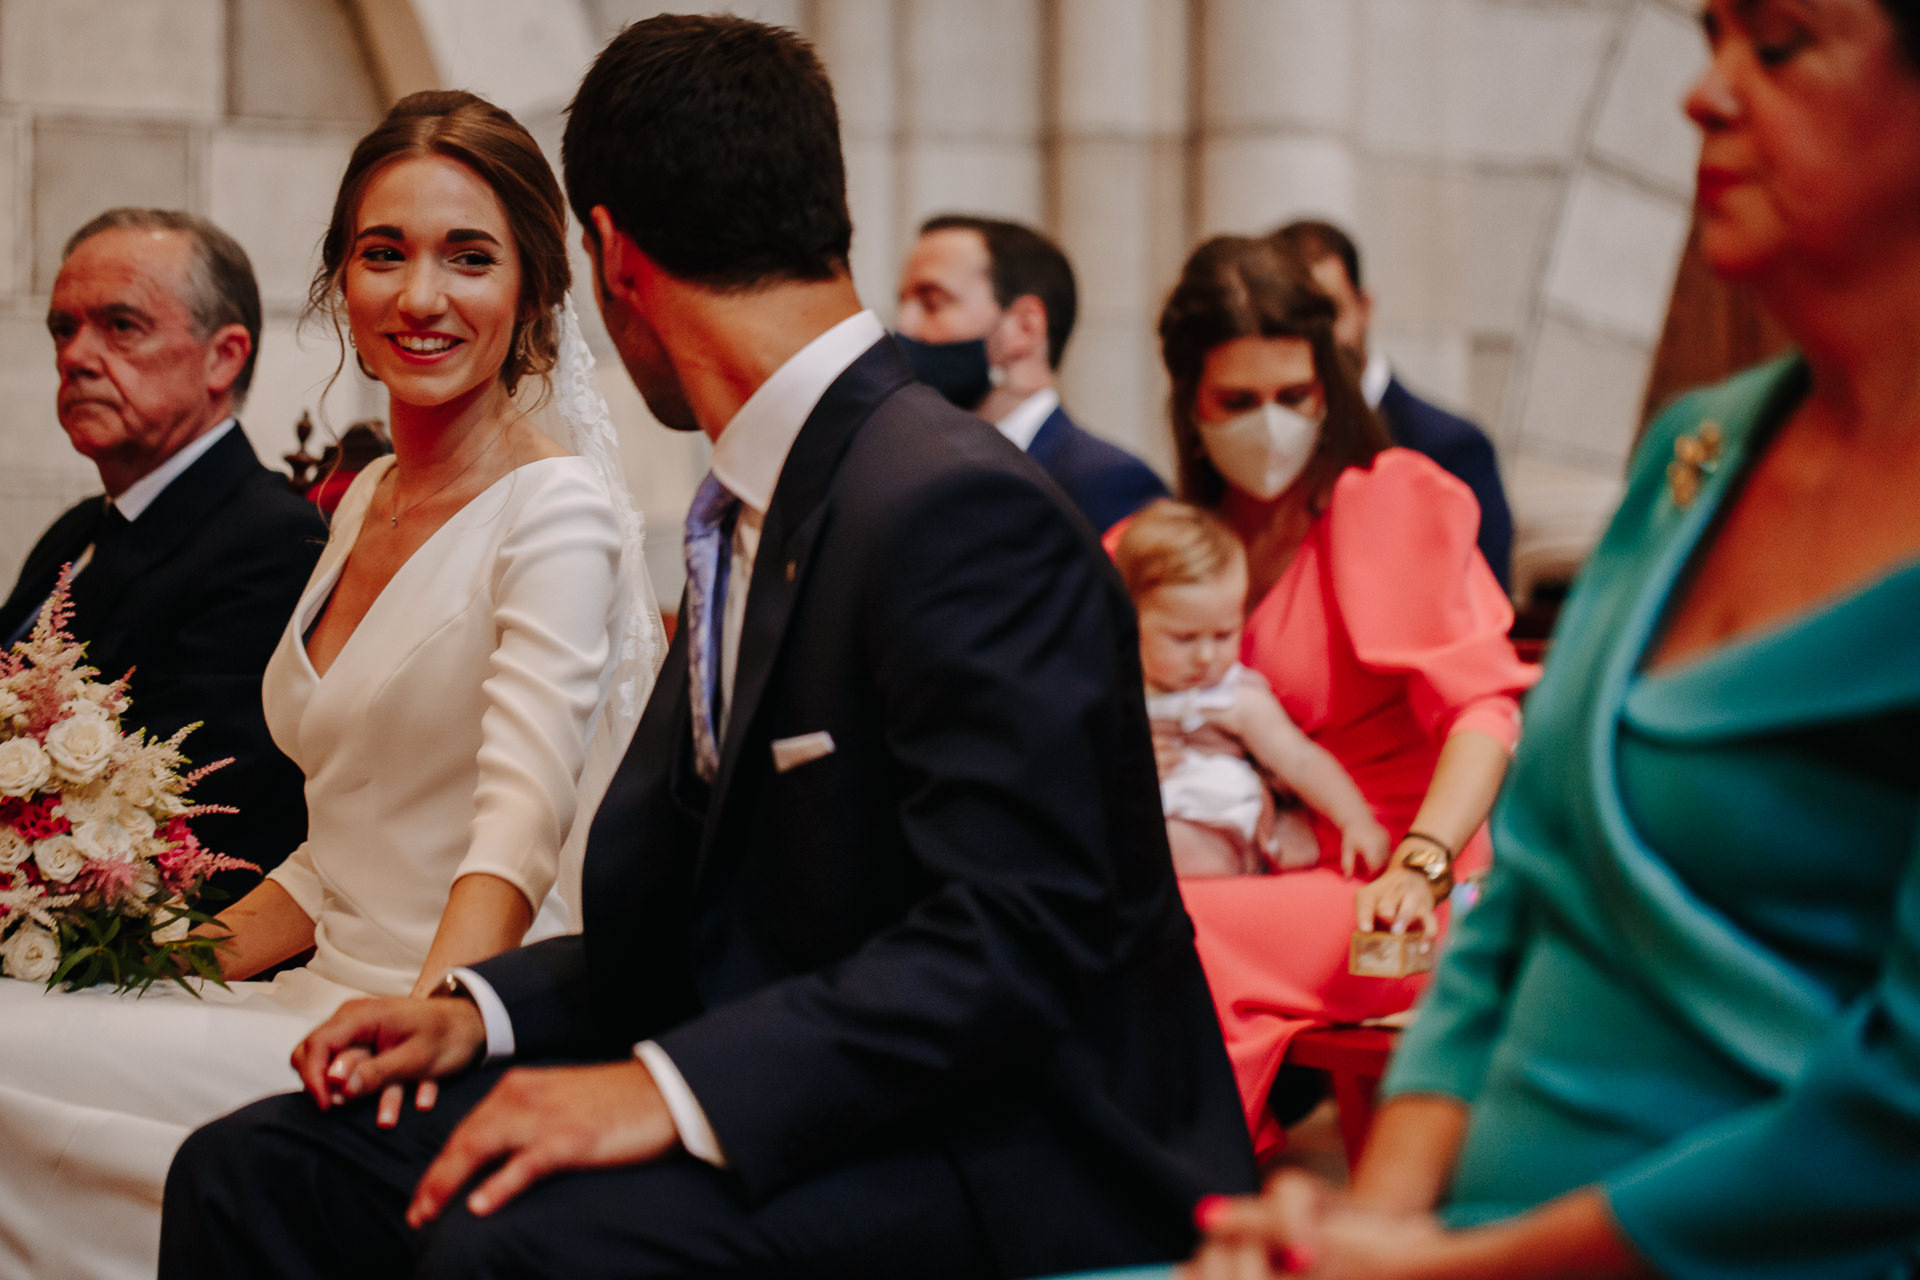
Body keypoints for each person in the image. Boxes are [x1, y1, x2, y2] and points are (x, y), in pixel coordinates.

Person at [160, 15, 1256, 1280]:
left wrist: (661, 1090)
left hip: (1018, 1143)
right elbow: (685, 914)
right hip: (815, 1088)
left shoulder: (956, 503)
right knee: (258, 1170)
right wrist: (480, 1009)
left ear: (609, 253)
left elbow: (1018, 934)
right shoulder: (750, 500)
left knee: (489, 1246)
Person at [1182, 1, 1920, 1276]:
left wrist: (1442, 1262)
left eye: (1783, 44)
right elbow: (1531, 889)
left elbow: (1891, 1113)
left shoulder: (1388, 500)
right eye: (1710, 40)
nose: (1705, 96)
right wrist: (1379, 1212)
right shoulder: (1697, 451)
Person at [0, 90, 663, 1280]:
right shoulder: (361, 504)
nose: (420, 296)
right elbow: (332, 849)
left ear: (535, 291)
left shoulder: (554, 510)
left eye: (469, 257)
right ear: (340, 284)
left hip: (426, 1017)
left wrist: (428, 1032)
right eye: (383, 254)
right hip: (304, 985)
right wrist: (140, 953)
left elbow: (516, 826)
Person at [1148, 235, 1535, 1162]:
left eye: (1295, 397)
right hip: (1259, 861)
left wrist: (1421, 862)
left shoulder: (1387, 501)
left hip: (1400, 891)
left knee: (1173, 932)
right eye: (1237, 402)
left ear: (1330, 390)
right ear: (1189, 404)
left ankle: (1176, 1188)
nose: (1270, 423)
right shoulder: (1183, 542)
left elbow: (1486, 713)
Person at [0, 209, 323, 897]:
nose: (77, 356)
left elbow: (178, 819)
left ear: (223, 356)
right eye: (64, 328)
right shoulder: (77, 528)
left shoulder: (273, 542)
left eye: (121, 326)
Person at [1114, 499, 1388, 879]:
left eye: (1225, 634)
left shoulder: (1234, 698)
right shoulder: (1115, 689)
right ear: (1129, 622)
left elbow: (1300, 760)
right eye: (1183, 638)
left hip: (1215, 830)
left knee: (1163, 847)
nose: (1206, 655)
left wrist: (1356, 821)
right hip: (1134, 821)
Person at [1273, 218, 1514, 594]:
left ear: (1363, 307)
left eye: (1328, 316)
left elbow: (1481, 609)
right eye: (1292, 323)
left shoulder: (1452, 449)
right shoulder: (1268, 443)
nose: (1314, 342)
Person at [895, 213, 1169, 531]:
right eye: (904, 302)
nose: (904, 326)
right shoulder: (915, 472)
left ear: (1024, 327)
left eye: (932, 303)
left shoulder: (1107, 482)